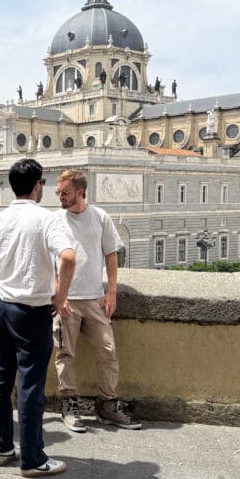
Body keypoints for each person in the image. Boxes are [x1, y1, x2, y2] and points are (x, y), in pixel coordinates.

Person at [0, 159, 75, 478]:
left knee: (1, 379)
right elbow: (67, 257)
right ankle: (33, 459)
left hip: (3, 307)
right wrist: (61, 296)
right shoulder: (45, 218)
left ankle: (2, 448)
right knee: (30, 386)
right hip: (32, 311)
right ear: (37, 186)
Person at [53, 170, 141, 432]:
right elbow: (49, 261)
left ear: (80, 192)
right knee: (64, 353)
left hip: (94, 298)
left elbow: (111, 254)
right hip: (66, 300)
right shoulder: (55, 219)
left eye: (64, 192)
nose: (60, 197)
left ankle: (108, 405)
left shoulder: (99, 217)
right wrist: (59, 295)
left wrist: (111, 290)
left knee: (108, 351)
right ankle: (69, 405)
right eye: (58, 192)